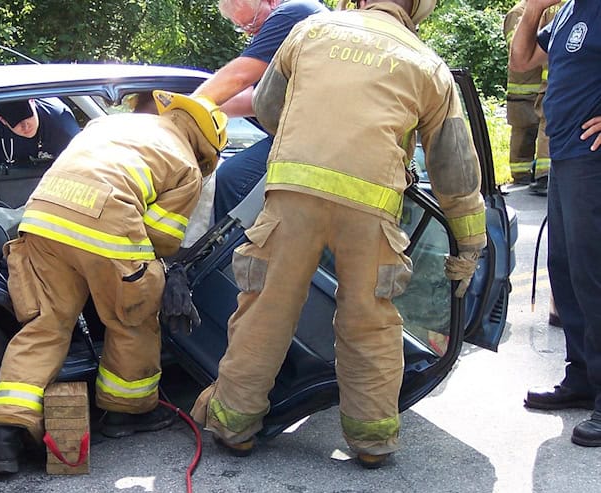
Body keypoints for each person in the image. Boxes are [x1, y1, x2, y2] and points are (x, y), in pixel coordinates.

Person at [190, 0, 487, 469]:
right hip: (371, 213)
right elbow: (455, 172)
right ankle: (372, 441)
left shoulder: (312, 30)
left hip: (293, 197)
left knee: (265, 310)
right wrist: (469, 246)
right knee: (369, 322)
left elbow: (268, 106)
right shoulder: (429, 66)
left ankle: (233, 425)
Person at [0, 91, 228, 476]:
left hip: (40, 222)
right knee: (132, 318)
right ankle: (125, 414)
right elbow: (160, 237)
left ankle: (6, 430)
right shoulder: (186, 166)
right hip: (106, 231)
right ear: (206, 149)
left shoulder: (109, 123)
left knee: (45, 327)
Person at [511, 0, 601, 448]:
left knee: (594, 276)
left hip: (594, 159)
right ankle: (583, 377)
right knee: (566, 273)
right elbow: (523, 61)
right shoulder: (566, 10)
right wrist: (532, 11)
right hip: (567, 153)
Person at [191, 0, 326, 223]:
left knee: (229, 180)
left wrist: (185, 108)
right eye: (242, 28)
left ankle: (224, 255)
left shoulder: (292, 13)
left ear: (272, 1)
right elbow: (254, 100)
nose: (251, 33)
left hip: (309, 138)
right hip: (304, 134)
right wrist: (199, 104)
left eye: (252, 23)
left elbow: (238, 78)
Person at [504, 1, 558, 194]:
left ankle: (538, 173)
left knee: (540, 127)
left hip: (542, 84)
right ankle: (525, 173)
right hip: (523, 86)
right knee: (523, 131)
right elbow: (518, 47)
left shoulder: (554, 10)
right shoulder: (517, 14)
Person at [0, 97, 80, 166]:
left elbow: (79, 163)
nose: (25, 126)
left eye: (28, 116)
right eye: (15, 122)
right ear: (2, 119)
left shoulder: (62, 124)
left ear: (32, 101)